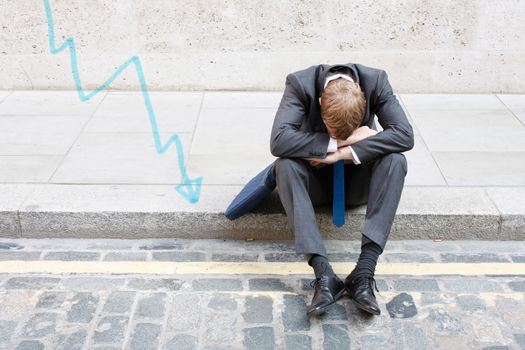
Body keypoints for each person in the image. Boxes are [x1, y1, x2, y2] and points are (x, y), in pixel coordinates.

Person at [270, 63, 414, 316]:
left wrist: (344, 154)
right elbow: (279, 141)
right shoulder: (299, 83)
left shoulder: (377, 82)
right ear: (320, 103)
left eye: (348, 129)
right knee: (285, 166)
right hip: (314, 182)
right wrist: (344, 140)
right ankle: (324, 275)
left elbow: (404, 135)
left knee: (396, 160)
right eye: (330, 126)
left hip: (359, 183)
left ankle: (364, 272)